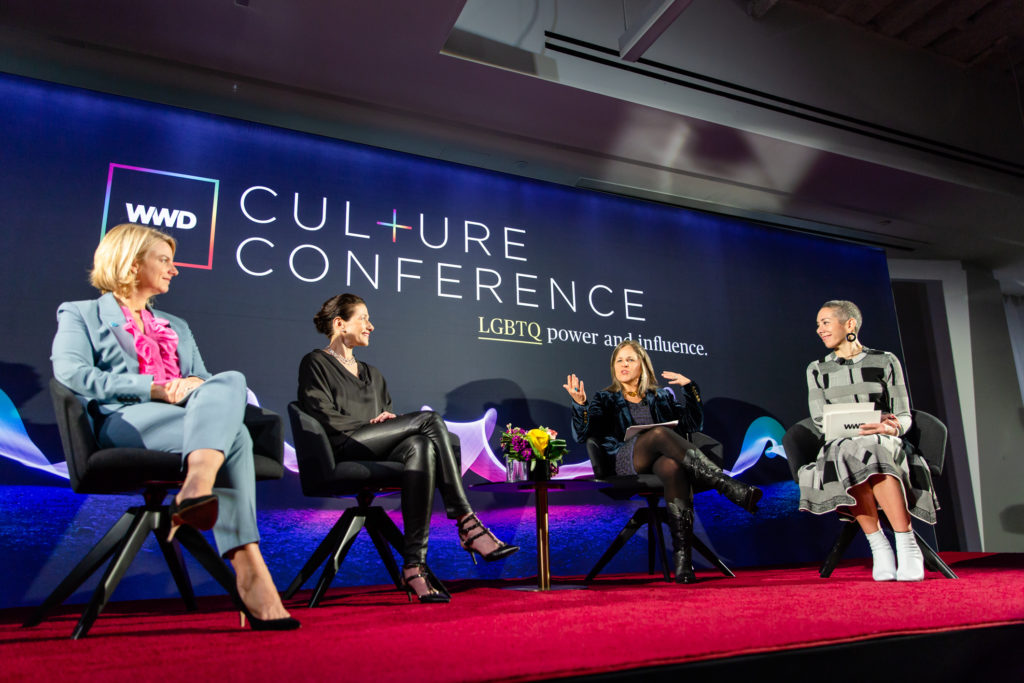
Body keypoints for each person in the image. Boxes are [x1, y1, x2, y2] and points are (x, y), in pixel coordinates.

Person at [51, 223, 298, 630]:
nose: (175, 269)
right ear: (131, 264)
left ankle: (198, 489)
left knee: (231, 382)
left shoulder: (177, 325)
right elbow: (72, 374)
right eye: (164, 260)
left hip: (187, 421)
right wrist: (158, 388)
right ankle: (250, 568)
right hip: (123, 420)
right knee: (232, 435)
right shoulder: (80, 313)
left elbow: (204, 381)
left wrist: (192, 388)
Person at [296, 293, 519, 603]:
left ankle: (414, 567)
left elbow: (384, 417)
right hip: (342, 446)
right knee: (429, 421)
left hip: (373, 446)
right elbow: (320, 415)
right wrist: (372, 427)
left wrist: (387, 422)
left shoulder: (374, 375)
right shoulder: (316, 362)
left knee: (420, 446)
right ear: (340, 324)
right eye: (363, 318)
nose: (371, 326)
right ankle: (466, 521)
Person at [564, 340, 761, 584]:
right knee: (658, 434)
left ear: (643, 365)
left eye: (630, 360)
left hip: (659, 461)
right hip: (624, 461)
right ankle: (728, 485)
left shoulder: (660, 397)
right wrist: (579, 404)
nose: (623, 365)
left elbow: (692, 426)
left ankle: (683, 564)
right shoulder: (605, 399)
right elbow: (582, 435)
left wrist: (690, 389)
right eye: (619, 361)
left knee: (673, 466)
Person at [798, 300, 939, 581]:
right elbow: (819, 420)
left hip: (883, 440)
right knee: (846, 451)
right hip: (841, 443)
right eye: (818, 325)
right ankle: (879, 547)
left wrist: (892, 428)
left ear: (849, 324)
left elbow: (903, 413)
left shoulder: (885, 360)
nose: (819, 330)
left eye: (825, 323)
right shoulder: (817, 369)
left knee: (873, 447)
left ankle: (907, 544)